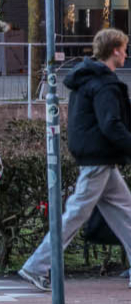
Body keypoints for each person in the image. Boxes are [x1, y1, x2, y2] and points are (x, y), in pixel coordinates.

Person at [18, 28, 131, 290]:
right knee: (75, 215)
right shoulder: (105, 84)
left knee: (126, 212)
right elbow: (111, 124)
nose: (126, 53)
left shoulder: (87, 79)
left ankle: (36, 266)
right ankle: (36, 266)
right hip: (98, 158)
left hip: (95, 157)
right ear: (115, 50)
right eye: (124, 48)